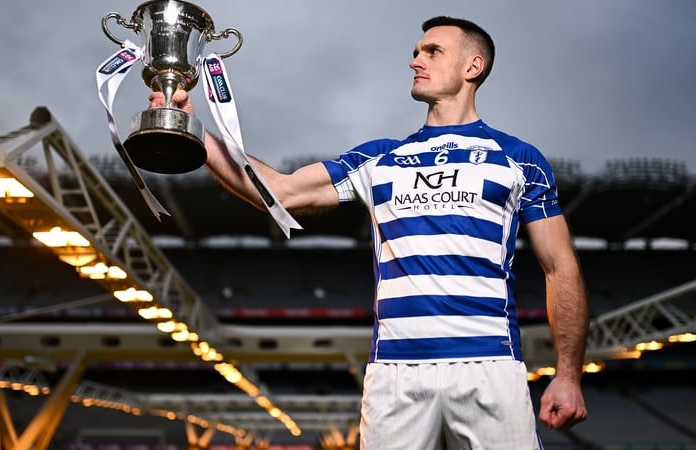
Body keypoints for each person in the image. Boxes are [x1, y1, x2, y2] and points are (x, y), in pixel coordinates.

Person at [150, 15, 589, 450]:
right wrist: (192, 129)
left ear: (472, 67)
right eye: (416, 51)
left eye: (432, 51)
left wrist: (568, 375)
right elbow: (279, 191)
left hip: (490, 365)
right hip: (394, 373)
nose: (416, 60)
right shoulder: (379, 158)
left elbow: (559, 266)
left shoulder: (519, 158)